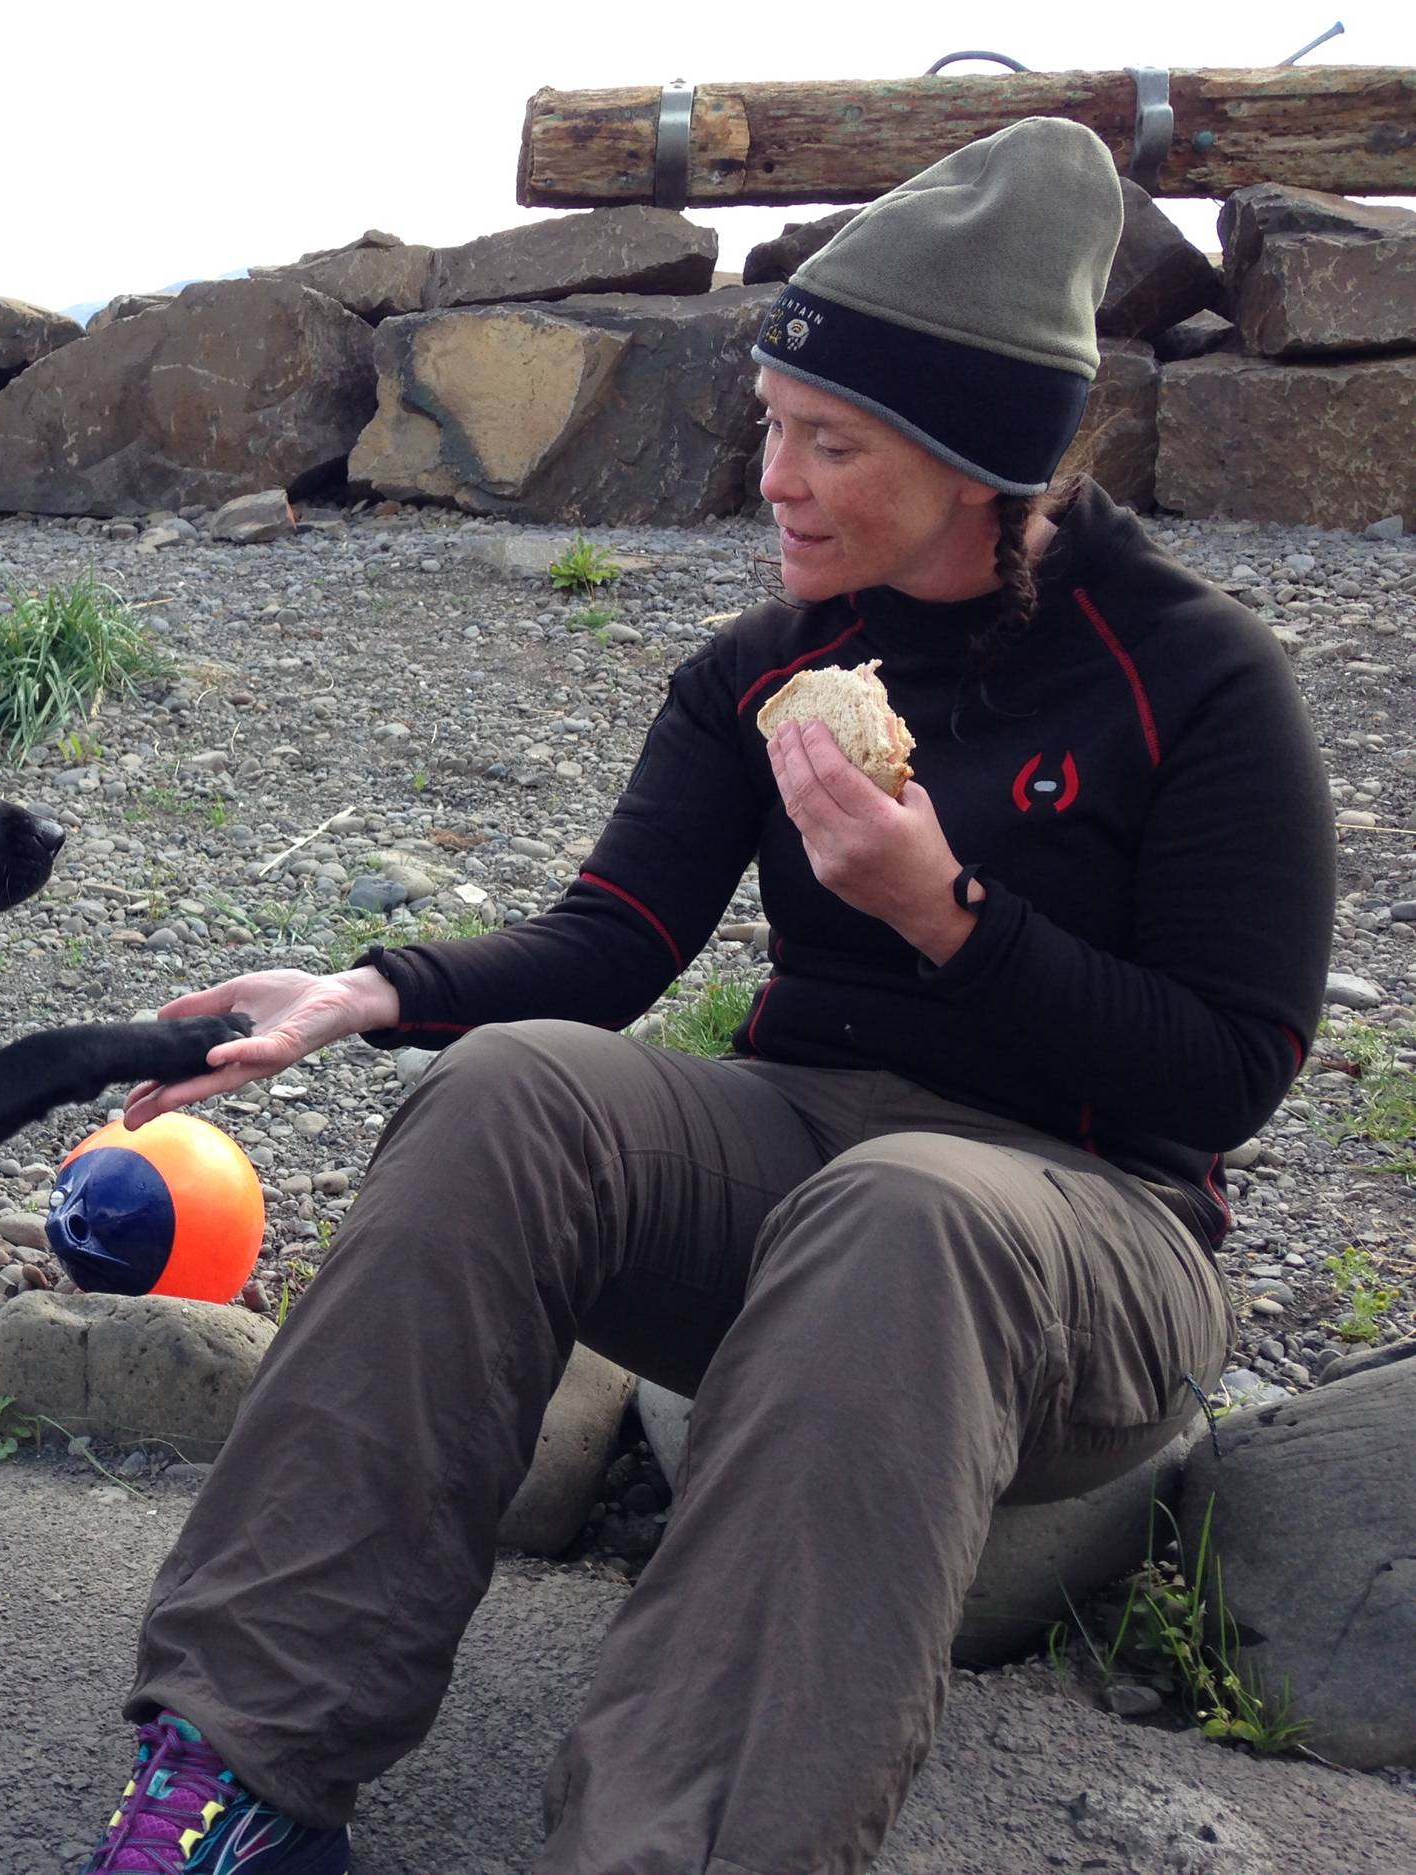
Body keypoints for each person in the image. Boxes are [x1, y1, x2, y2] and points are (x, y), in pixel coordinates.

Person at [69, 118, 1334, 1875]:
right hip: (798, 1155)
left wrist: (946, 913)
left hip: (1086, 1242)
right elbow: (607, 948)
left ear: (983, 464)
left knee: (909, 1213)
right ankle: (242, 1766)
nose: (776, 482)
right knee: (512, 1091)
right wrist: (370, 989)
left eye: (831, 443)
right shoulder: (768, 668)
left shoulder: (1196, 676)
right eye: (770, 427)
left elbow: (1231, 1070)